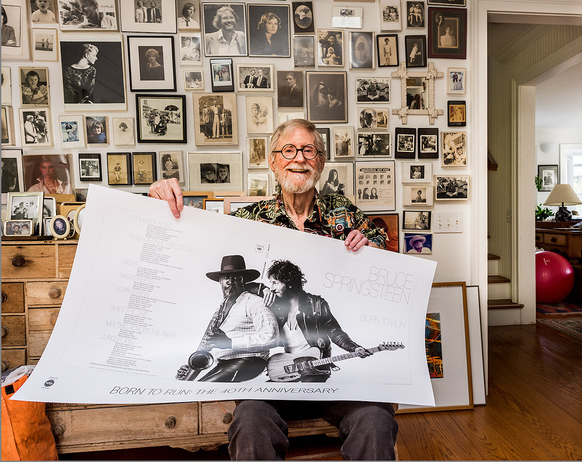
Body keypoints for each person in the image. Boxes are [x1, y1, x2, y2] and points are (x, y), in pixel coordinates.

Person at [148, 118, 396, 460]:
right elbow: (193, 244)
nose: (299, 158)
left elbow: (387, 257)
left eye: (309, 150)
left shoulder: (343, 214)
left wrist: (372, 246)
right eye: (289, 149)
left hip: (326, 376)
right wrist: (159, 204)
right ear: (273, 160)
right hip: (267, 374)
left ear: (321, 162)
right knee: (249, 421)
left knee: (376, 419)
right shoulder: (247, 220)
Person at [263, 259, 371, 383]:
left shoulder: (317, 304)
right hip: (291, 367)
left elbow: (334, 331)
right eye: (270, 283)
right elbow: (249, 287)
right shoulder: (277, 306)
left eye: (275, 283)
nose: (271, 288)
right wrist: (263, 289)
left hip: (315, 366)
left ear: (289, 282)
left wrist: (354, 348)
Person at [176, 255, 278, 382]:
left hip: (250, 361)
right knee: (193, 389)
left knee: (202, 389)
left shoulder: (255, 302)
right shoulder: (220, 310)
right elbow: (215, 345)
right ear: (220, 281)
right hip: (224, 363)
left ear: (243, 281)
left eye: (236, 277)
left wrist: (230, 342)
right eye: (226, 278)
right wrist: (191, 368)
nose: (230, 281)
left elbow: (271, 337)